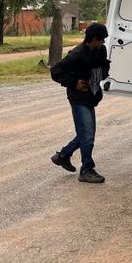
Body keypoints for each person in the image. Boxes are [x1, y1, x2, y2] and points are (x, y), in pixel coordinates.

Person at [49, 23, 111, 183]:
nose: (103, 43)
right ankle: (86, 170)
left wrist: (98, 76)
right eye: (102, 40)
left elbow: (105, 66)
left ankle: (63, 155)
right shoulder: (76, 54)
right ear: (94, 39)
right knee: (87, 135)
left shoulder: (100, 51)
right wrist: (74, 83)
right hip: (78, 98)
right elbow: (55, 72)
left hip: (92, 96)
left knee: (86, 133)